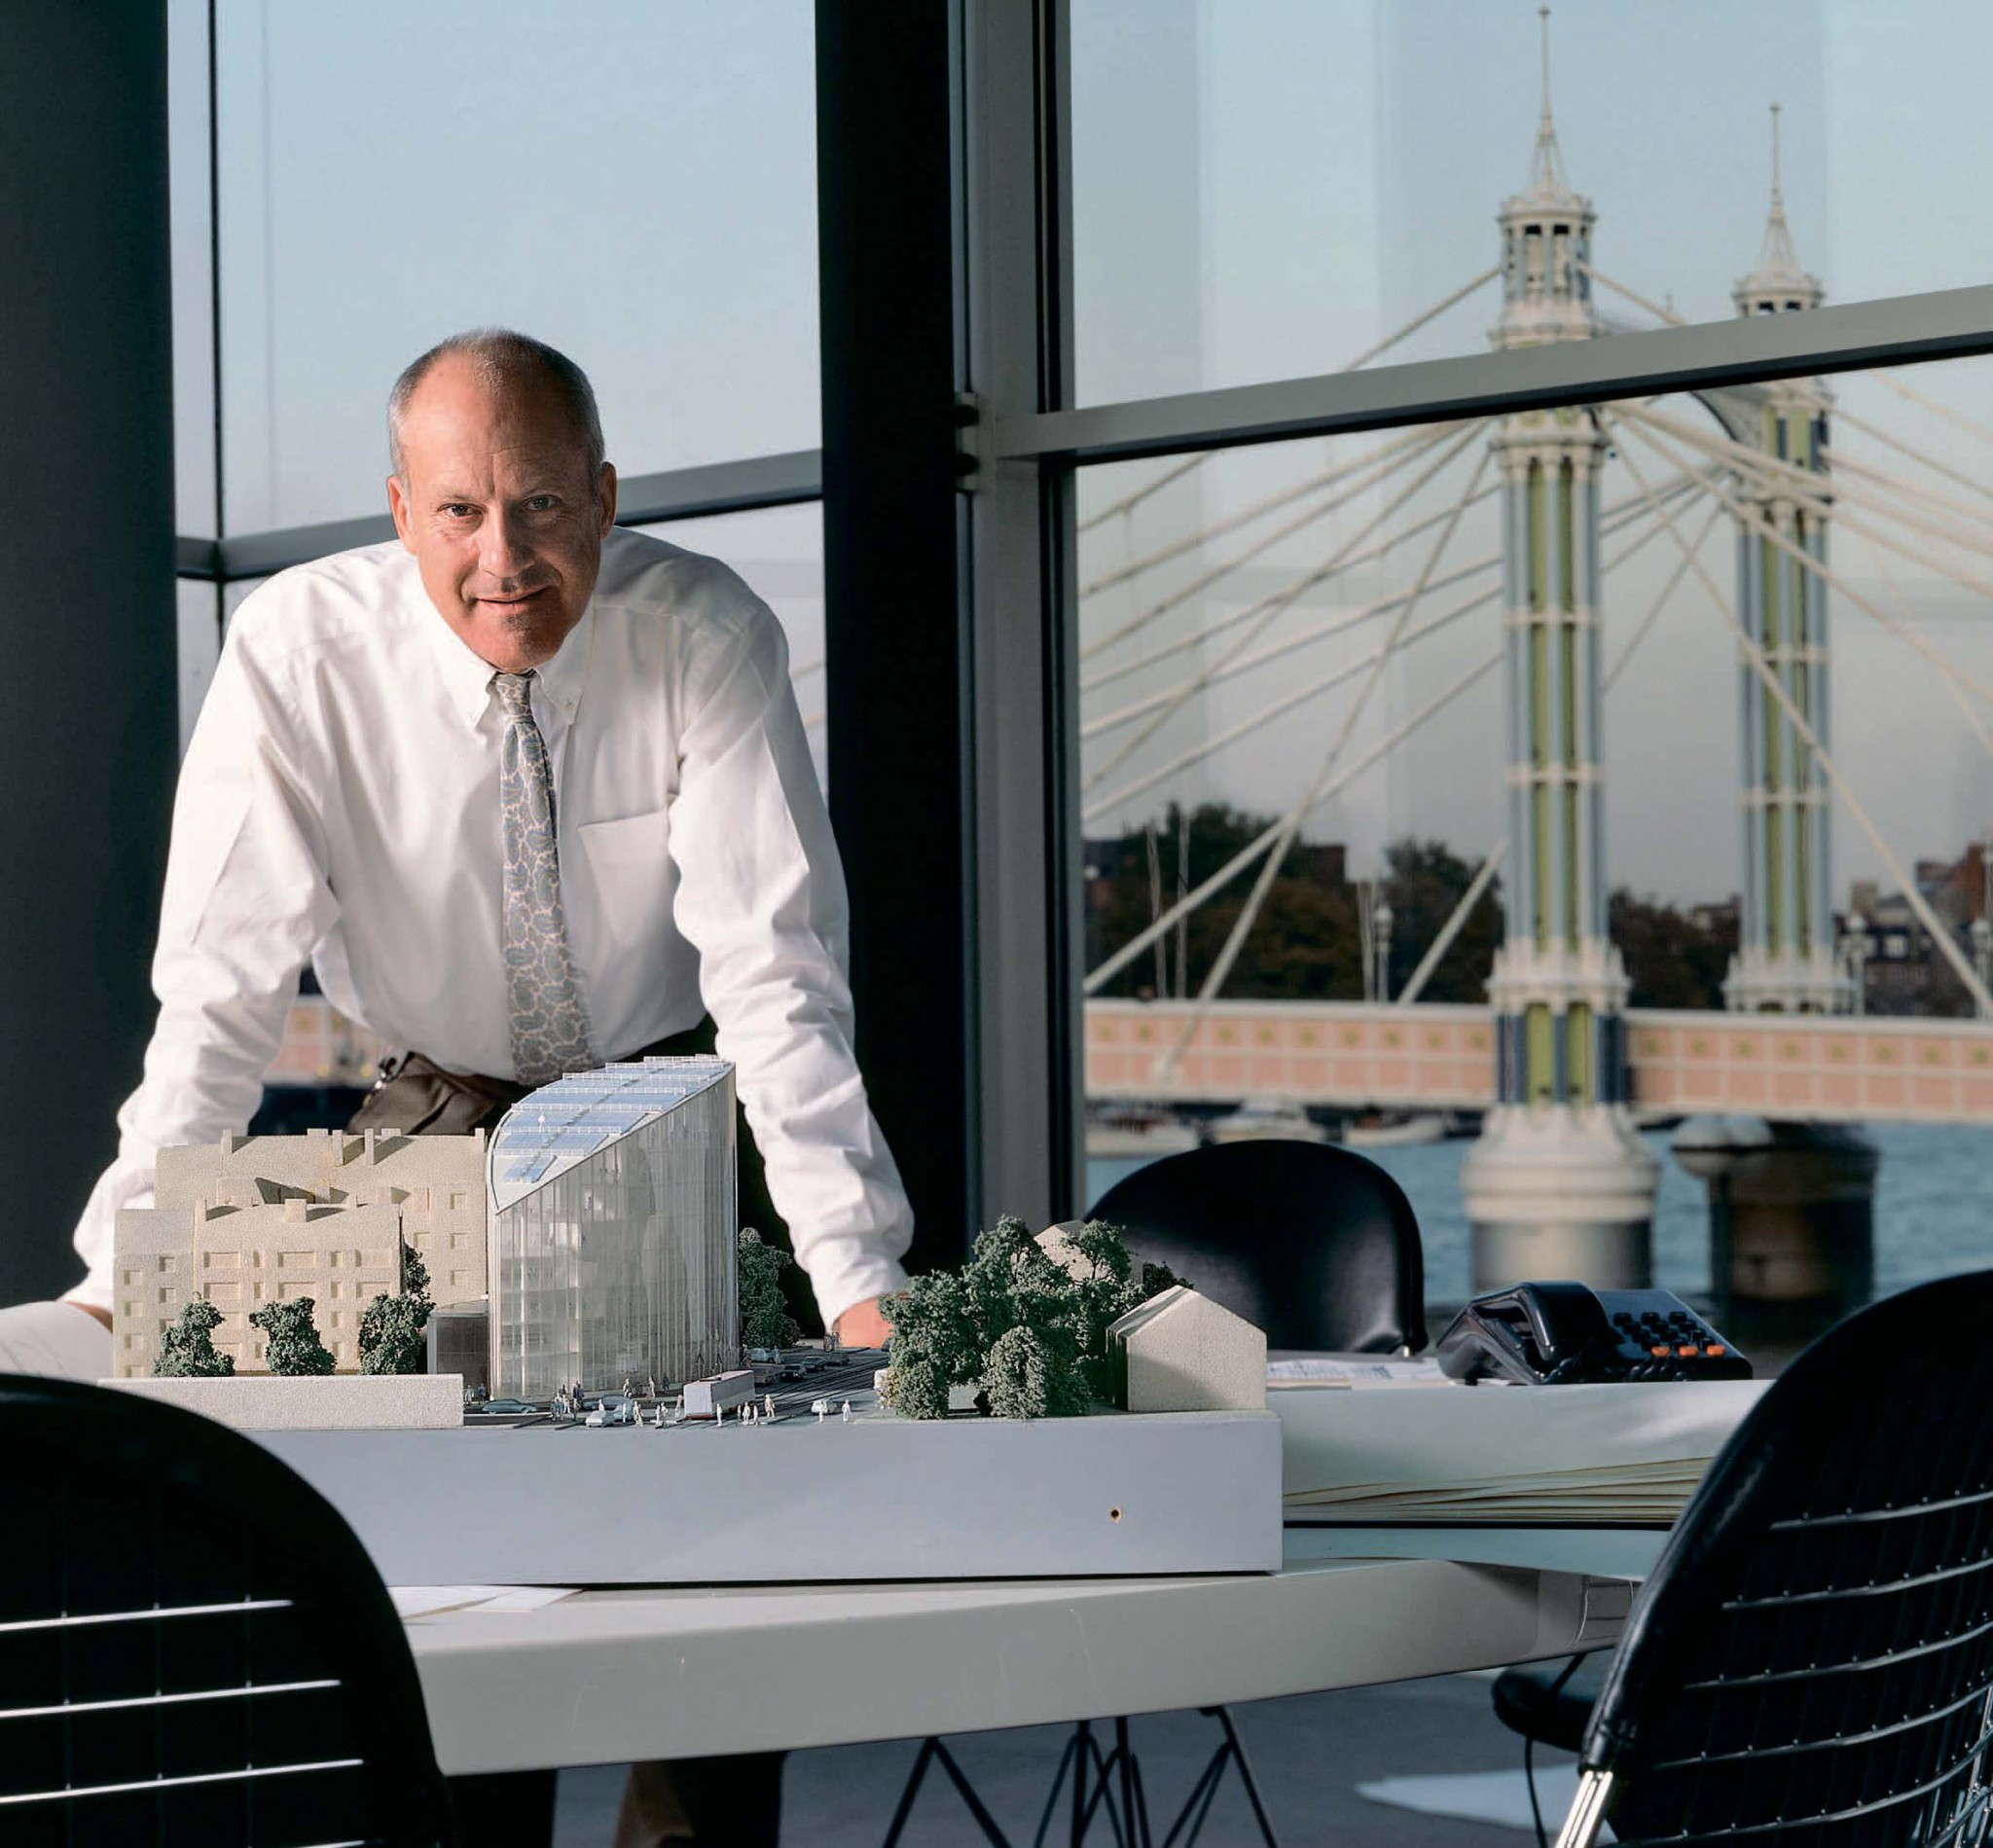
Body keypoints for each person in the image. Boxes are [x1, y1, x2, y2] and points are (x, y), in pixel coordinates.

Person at [5, 328, 916, 1847]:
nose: (505, 557)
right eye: (459, 512)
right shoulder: (297, 653)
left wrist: (859, 1284)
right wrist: (118, 1284)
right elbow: (220, 1003)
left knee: (723, 1601)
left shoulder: (706, 631)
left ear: (604, 496)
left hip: (676, 1108)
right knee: (454, 1594)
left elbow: (777, 983)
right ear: (400, 510)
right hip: (434, 1121)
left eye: (543, 505)